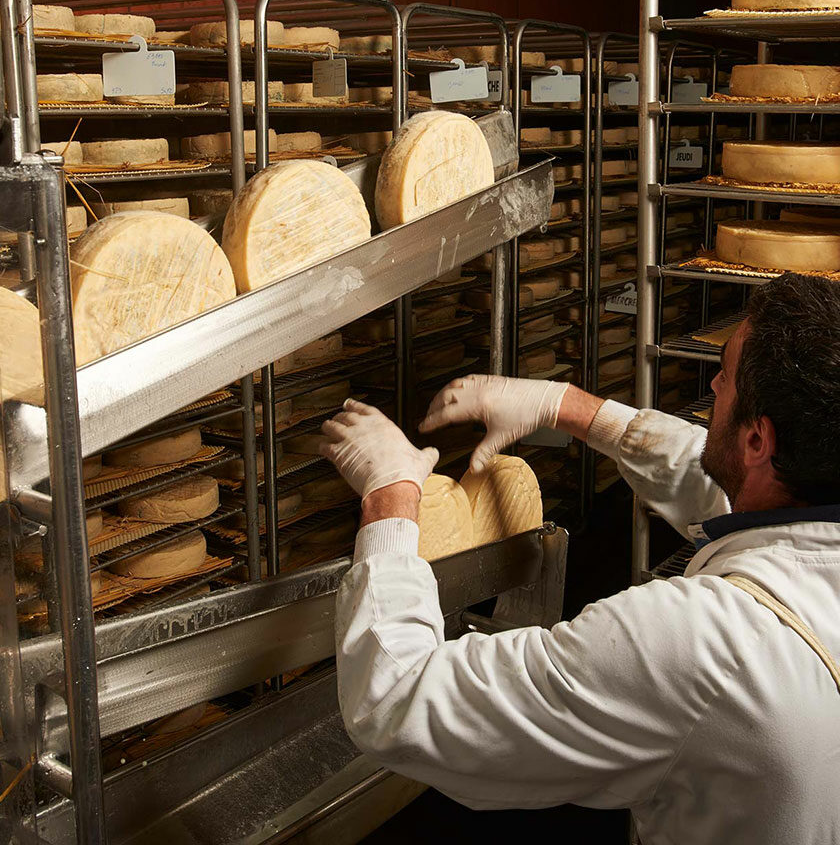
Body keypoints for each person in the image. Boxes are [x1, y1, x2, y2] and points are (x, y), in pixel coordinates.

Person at [319, 272, 840, 845]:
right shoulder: (811, 503)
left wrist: (390, 496)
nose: (713, 383)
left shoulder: (706, 643)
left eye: (727, 375)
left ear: (758, 440)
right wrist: (568, 406)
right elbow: (728, 479)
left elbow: (400, 699)